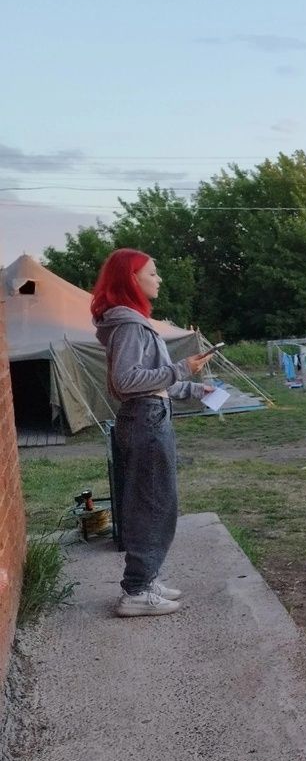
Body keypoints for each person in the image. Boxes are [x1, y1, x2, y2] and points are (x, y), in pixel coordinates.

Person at [92, 249, 215, 617]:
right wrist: (181, 369)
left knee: (156, 501)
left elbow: (153, 382)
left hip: (149, 414)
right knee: (152, 504)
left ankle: (147, 578)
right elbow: (126, 381)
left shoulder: (132, 321)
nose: (158, 279)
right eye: (152, 272)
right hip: (146, 421)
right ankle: (136, 591)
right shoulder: (130, 324)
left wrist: (194, 388)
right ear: (132, 279)